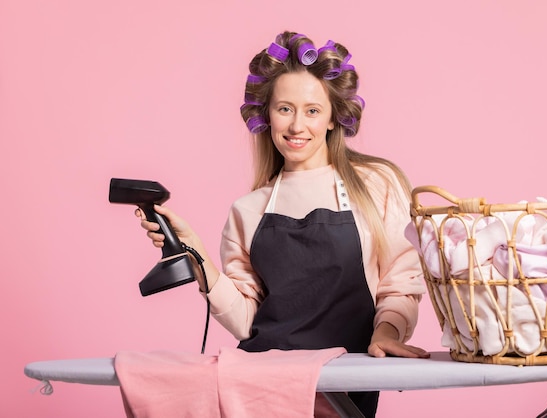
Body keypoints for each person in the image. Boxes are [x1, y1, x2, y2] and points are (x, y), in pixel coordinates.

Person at [135, 30, 430, 417]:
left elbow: (401, 279)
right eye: (284, 108)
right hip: (261, 381)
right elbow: (247, 322)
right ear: (266, 115)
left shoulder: (376, 185)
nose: (296, 126)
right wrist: (198, 257)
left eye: (312, 110)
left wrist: (387, 332)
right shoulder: (248, 210)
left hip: (347, 377)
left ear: (332, 118)